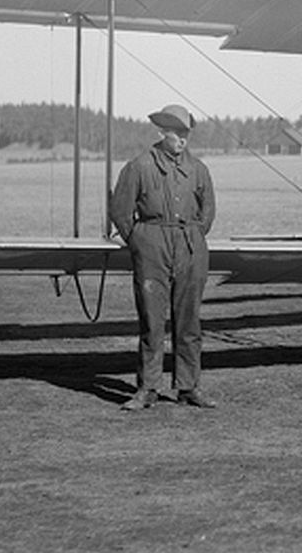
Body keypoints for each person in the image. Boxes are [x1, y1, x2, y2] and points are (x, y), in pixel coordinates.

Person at [108, 104, 217, 410]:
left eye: (186, 135)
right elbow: (120, 211)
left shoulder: (198, 170)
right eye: (176, 134)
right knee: (152, 320)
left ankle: (188, 386)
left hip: (190, 246)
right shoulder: (139, 166)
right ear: (161, 134)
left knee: (189, 321)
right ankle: (147, 388)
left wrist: (192, 236)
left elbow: (208, 212)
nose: (183, 140)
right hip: (152, 245)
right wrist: (141, 241)